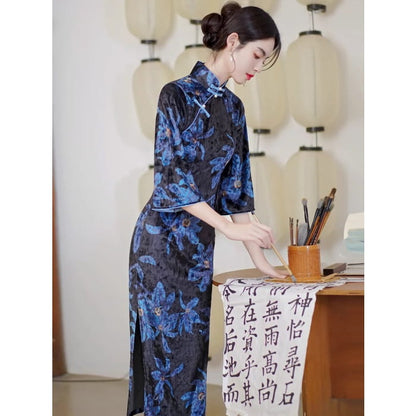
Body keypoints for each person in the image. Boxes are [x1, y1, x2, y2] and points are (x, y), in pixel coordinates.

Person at [127, 2, 286, 415]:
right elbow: (171, 180)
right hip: (159, 245)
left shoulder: (234, 109)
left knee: (192, 359)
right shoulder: (175, 95)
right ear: (233, 42)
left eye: (265, 60)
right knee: (166, 363)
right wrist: (227, 228)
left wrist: (263, 261)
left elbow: (237, 191)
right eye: (257, 55)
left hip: (197, 249)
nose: (258, 67)